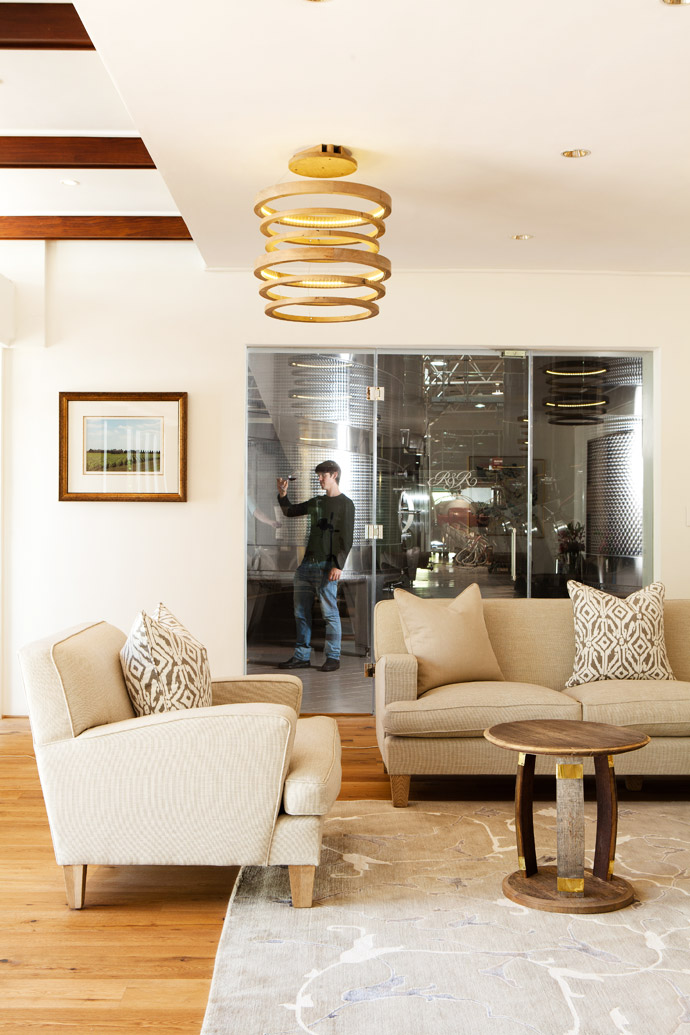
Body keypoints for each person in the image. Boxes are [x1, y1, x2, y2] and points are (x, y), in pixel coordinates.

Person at [276, 460, 355, 672]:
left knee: (329, 613)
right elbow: (289, 511)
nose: (319, 479)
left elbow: (346, 538)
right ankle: (301, 657)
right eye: (318, 475)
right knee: (301, 612)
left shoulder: (346, 504)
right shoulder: (317, 502)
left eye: (323, 475)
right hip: (305, 567)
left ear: (334, 475)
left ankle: (333, 657)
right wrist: (283, 495)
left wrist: (338, 565)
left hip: (326, 566)